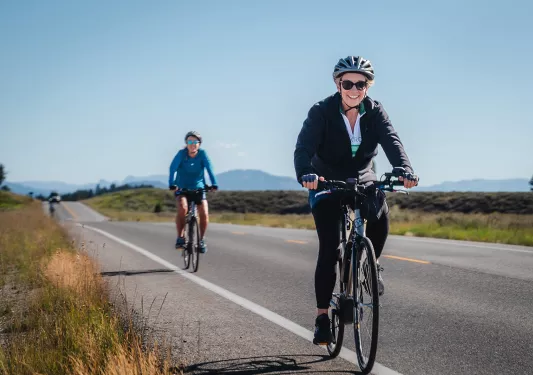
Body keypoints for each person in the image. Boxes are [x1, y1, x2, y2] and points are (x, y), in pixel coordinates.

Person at [293, 55, 418, 345]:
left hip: (363, 177)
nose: (354, 88)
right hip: (326, 180)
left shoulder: (374, 111)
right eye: (347, 83)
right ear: (338, 84)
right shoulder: (321, 112)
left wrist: (405, 169)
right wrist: (306, 173)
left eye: (360, 84)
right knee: (330, 248)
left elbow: (392, 140)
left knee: (381, 213)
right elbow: (303, 147)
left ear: (368, 86)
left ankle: (368, 265)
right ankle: (322, 316)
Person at [168, 131, 218, 253]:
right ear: (186, 143)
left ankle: (201, 240)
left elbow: (210, 169)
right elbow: (172, 168)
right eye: (190, 142)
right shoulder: (181, 154)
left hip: (198, 187)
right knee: (183, 208)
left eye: (195, 142)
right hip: (182, 187)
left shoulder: (202, 154)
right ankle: (180, 237)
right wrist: (171, 183)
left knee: (204, 213)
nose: (192, 144)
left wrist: (214, 183)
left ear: (199, 144)